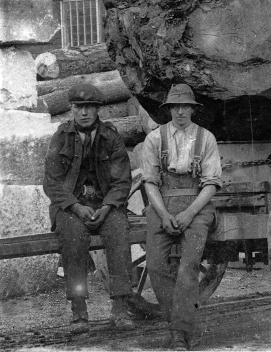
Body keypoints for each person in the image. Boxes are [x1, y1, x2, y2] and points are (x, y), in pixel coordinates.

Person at [43, 82, 135, 333]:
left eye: (89, 108)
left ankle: (120, 308)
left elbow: (122, 180)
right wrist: (74, 206)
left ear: (98, 110)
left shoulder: (111, 137)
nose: (84, 113)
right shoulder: (60, 137)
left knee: (118, 233)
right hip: (71, 208)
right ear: (71, 109)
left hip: (105, 205)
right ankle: (79, 312)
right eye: (78, 107)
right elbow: (51, 182)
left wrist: (107, 207)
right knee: (73, 240)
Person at [141, 84, 222, 350]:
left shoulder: (206, 138)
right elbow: (150, 182)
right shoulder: (155, 139)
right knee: (154, 266)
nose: (180, 112)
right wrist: (163, 214)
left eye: (185, 106)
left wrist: (189, 213)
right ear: (168, 110)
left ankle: (179, 333)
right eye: (175, 107)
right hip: (162, 203)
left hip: (197, 206)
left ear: (192, 109)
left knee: (188, 267)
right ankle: (182, 324)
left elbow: (210, 183)